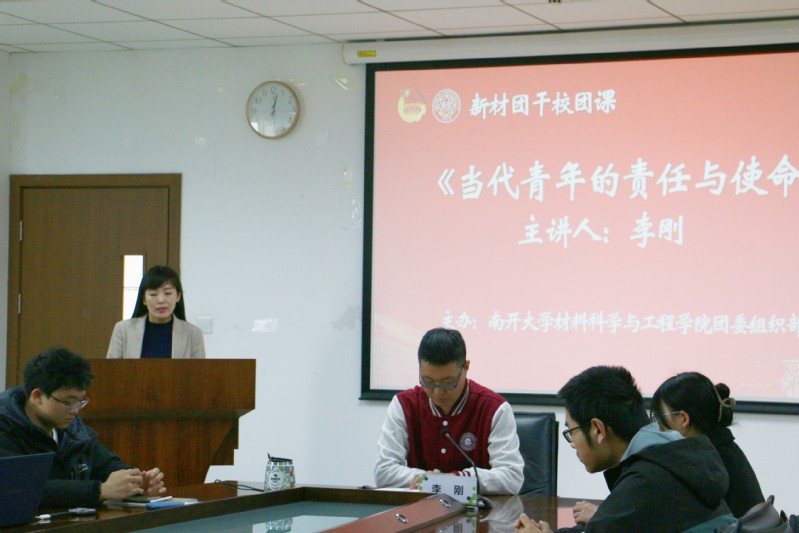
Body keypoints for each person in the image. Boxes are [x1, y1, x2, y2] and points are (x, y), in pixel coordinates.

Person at [515, 366, 733, 533]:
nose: (572, 443)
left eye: (572, 431)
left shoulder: (645, 481)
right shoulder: (673, 456)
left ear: (598, 429)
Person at [0, 348, 167, 508]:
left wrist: (137, 482)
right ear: (37, 396)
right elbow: (20, 489)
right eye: (68, 402)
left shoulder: (73, 429)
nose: (75, 411)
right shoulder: (5, 429)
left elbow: (107, 465)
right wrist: (99, 490)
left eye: (80, 402)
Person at [374, 327, 523, 495]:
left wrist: (457, 479)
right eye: (428, 381)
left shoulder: (494, 408)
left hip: (478, 510)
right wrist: (428, 479)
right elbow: (384, 471)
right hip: (419, 509)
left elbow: (512, 477)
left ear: (466, 367)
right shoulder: (404, 405)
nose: (437, 392)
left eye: (447, 382)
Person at [651, 372, 765, 517]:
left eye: (661, 418)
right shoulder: (724, 448)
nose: (660, 428)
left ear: (683, 418)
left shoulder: (703, 462)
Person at [107, 265, 205, 358]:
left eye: (167, 293)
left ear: (178, 296)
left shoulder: (193, 333)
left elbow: (199, 369)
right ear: (144, 299)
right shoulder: (123, 330)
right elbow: (111, 368)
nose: (161, 300)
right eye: (153, 294)